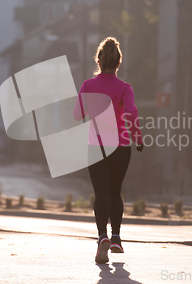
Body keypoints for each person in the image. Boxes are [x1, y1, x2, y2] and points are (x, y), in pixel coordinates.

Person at [73, 37, 143, 263]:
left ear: (99, 61)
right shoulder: (125, 88)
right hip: (121, 147)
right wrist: (138, 137)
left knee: (101, 193)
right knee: (115, 192)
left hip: (96, 146)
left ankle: (102, 236)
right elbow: (131, 113)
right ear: (118, 63)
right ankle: (116, 238)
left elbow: (77, 115)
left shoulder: (88, 86)